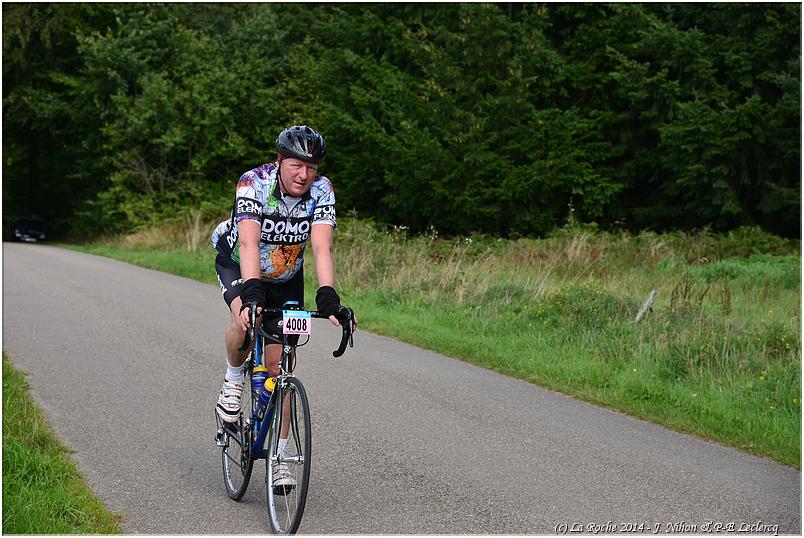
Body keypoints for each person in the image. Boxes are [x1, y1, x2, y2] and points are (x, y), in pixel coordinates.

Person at [210, 125, 355, 487]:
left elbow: (322, 247)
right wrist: (251, 295)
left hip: (286, 275)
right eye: (296, 165)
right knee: (245, 319)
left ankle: (281, 457)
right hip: (240, 264)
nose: (304, 174)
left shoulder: (322, 190)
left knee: (280, 368)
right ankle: (233, 381)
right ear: (279, 161)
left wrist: (328, 297)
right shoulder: (254, 183)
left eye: (312, 167)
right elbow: (248, 243)